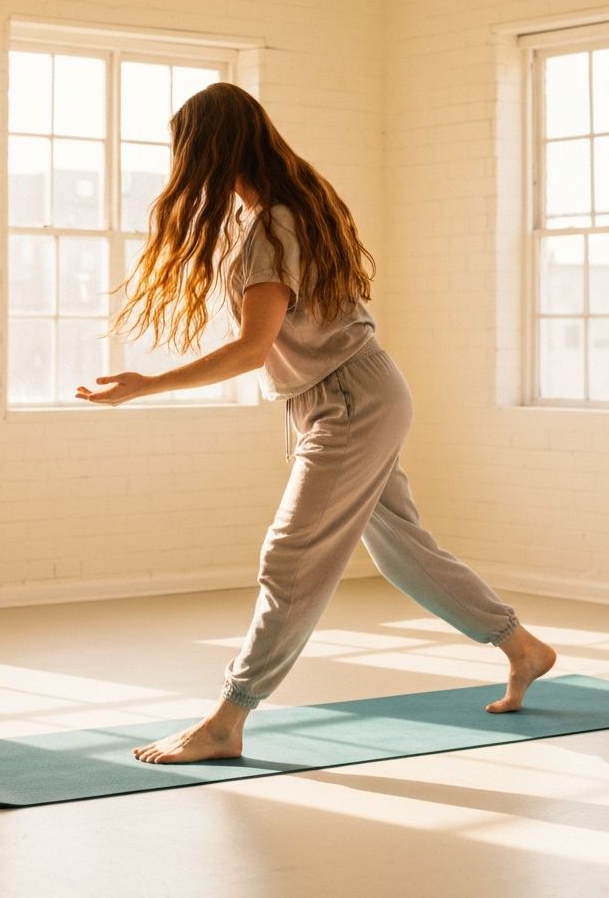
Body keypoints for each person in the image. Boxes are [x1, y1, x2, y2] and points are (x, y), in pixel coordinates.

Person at [75, 83, 556, 764]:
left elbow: (250, 346)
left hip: (349, 401)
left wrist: (146, 386)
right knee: (402, 551)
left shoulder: (272, 224)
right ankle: (523, 647)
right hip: (344, 394)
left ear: (210, 151)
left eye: (184, 151)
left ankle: (226, 719)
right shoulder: (293, 207)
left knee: (291, 556)